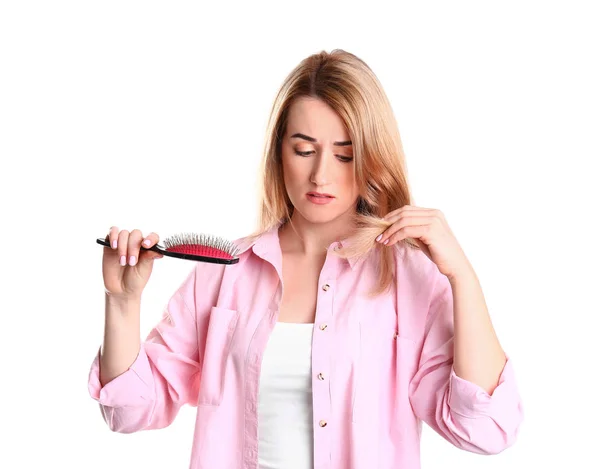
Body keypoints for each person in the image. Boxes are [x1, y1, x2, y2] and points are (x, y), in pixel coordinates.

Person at [88, 49, 524, 469]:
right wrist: (122, 302)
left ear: (372, 158)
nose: (321, 175)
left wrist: (462, 277)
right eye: (304, 150)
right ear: (279, 152)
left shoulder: (409, 281)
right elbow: (126, 413)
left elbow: (485, 430)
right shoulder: (222, 277)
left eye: (345, 154)